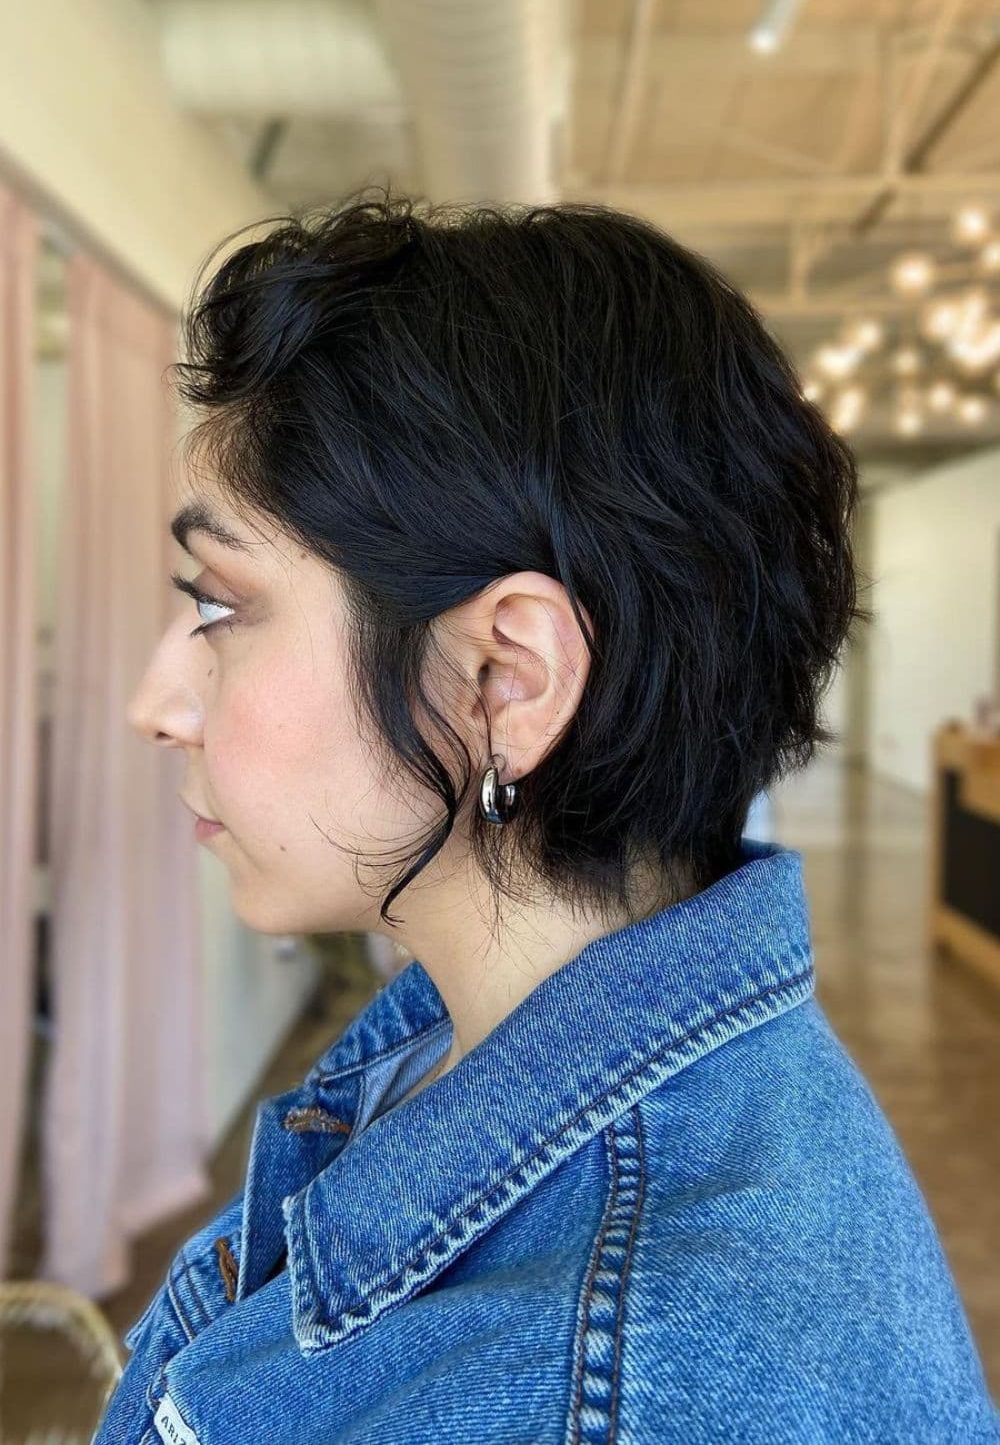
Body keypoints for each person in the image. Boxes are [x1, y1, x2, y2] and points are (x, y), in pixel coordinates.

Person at [102, 186, 999, 1444]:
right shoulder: (474, 1032)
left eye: (220, 607)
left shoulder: (601, 1391)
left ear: (503, 678)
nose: (156, 703)